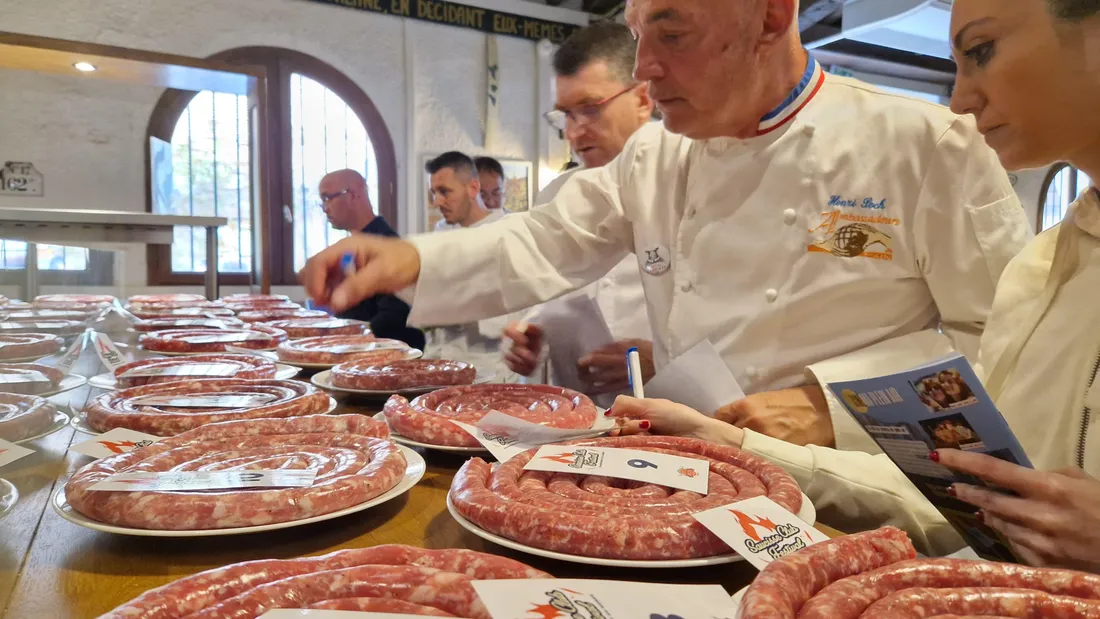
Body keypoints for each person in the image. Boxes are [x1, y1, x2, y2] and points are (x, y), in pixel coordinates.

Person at [300, 0, 1033, 451]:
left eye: (672, 34)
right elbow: (547, 238)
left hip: (852, 483)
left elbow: (1006, 341)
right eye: (637, 31)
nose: (644, 69)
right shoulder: (657, 153)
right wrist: (407, 260)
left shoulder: (925, 145)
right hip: (690, 463)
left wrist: (837, 403)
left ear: (771, 16)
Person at [610, 0, 1100, 570]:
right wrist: (737, 449)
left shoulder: (921, 139)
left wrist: (830, 404)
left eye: (982, 52)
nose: (962, 101)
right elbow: (979, 500)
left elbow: (970, 358)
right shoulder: (1045, 269)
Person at [502, 21, 656, 407]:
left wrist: (663, 358)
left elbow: (739, 323)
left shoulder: (690, 180)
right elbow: (554, 288)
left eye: (589, 109)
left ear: (643, 98)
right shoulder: (555, 193)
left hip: (668, 408)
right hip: (575, 413)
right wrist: (531, 331)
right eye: (566, 115)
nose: (574, 133)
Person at [420, 152, 518, 381]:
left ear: (473, 188)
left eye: (444, 191)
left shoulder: (506, 233)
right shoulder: (441, 231)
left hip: (486, 370)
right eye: (434, 193)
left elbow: (510, 312)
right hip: (439, 362)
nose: (437, 201)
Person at [315, 169, 424, 350]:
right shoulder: (352, 245)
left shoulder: (387, 244)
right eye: (322, 201)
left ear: (353, 195)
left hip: (386, 356)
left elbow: (393, 316)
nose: (325, 208)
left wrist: (342, 341)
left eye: (328, 198)